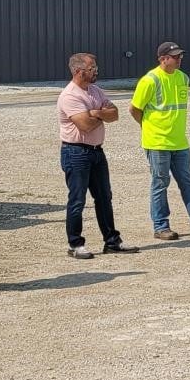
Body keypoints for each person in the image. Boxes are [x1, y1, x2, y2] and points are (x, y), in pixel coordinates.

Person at [131, 41, 190, 240]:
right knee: (160, 183)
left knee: (188, 182)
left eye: (180, 56)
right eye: (175, 56)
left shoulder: (183, 78)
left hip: (180, 142)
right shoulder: (150, 80)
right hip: (157, 143)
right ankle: (161, 226)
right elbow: (135, 109)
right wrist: (149, 127)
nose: (179, 59)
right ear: (163, 59)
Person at [58, 52, 136, 259]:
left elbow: (115, 114)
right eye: (92, 69)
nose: (96, 72)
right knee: (77, 199)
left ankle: (112, 241)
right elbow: (83, 125)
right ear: (78, 71)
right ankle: (75, 244)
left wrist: (95, 113)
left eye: (95, 68)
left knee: (104, 197)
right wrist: (100, 114)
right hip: (76, 152)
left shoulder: (95, 90)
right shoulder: (70, 95)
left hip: (96, 151)